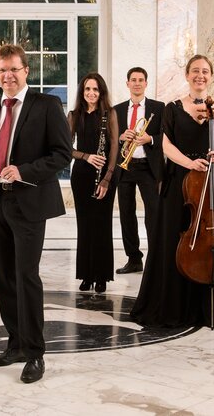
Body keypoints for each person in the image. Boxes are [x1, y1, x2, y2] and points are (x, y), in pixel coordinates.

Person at [0, 44, 72, 384]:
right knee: (4, 279)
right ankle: (14, 344)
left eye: (13, 69)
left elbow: (62, 154)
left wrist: (24, 170)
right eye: (1, 71)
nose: (7, 76)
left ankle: (35, 353)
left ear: (26, 70)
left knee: (26, 277)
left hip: (27, 203)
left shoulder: (46, 105)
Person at [130, 55, 214, 328]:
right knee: (174, 241)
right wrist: (190, 163)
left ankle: (212, 308)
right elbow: (166, 145)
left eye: (204, 71)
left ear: (211, 76)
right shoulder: (173, 108)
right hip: (181, 181)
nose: (199, 75)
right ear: (187, 75)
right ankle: (175, 309)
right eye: (194, 71)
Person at [68, 73, 119, 293]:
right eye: (87, 89)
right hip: (81, 174)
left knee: (102, 225)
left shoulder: (110, 114)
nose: (91, 93)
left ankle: (101, 277)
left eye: (95, 90)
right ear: (82, 92)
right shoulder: (73, 115)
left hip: (105, 175)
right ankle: (86, 275)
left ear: (101, 92)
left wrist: (107, 178)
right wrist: (86, 156)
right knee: (85, 225)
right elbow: (65, 148)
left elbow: (115, 146)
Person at [113, 67, 164, 274]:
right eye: (133, 80)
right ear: (127, 84)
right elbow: (110, 139)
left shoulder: (159, 108)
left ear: (146, 83)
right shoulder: (116, 109)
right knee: (126, 213)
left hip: (148, 167)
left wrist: (150, 138)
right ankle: (134, 259)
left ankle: (155, 258)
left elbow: (167, 136)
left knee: (153, 213)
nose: (136, 83)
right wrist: (119, 138)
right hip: (125, 166)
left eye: (140, 80)